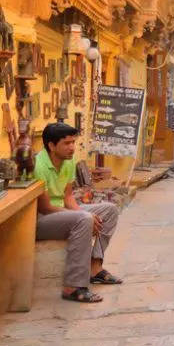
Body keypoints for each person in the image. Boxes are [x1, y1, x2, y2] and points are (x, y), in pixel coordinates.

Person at [34, 122, 122, 303]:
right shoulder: (39, 165)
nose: (72, 147)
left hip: (61, 211)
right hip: (41, 219)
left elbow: (68, 198)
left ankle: (95, 268)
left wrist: (85, 214)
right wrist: (85, 216)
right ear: (51, 145)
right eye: (67, 143)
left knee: (110, 210)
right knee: (83, 219)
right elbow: (45, 207)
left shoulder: (68, 161)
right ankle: (73, 286)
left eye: (73, 142)